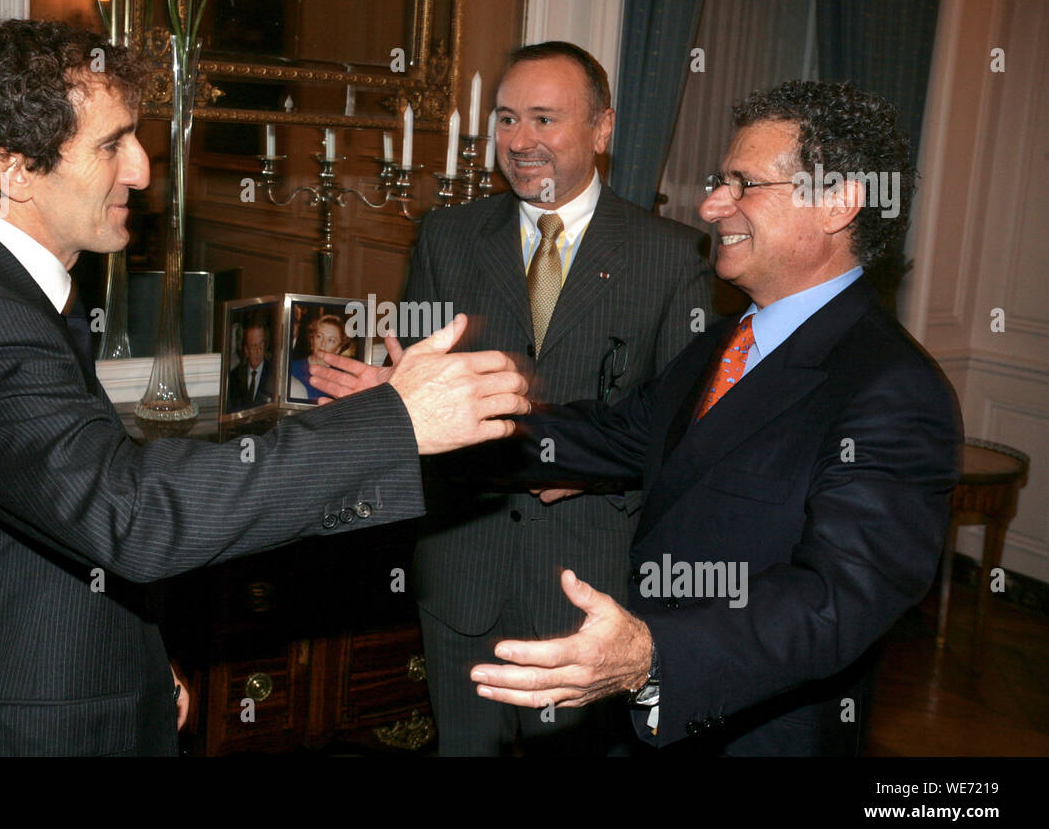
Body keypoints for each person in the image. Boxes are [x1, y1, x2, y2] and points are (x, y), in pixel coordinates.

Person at [0, 16, 530, 756]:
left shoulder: (1, 288)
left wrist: (138, 661)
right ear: (14, 170)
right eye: (112, 144)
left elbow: (61, 523)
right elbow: (131, 514)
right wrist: (394, 420)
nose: (142, 170)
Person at [468, 80, 962, 755]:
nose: (709, 206)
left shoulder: (893, 391)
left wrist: (654, 656)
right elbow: (610, 437)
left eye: (743, 184)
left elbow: (837, 598)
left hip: (751, 730)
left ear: (838, 204)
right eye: (717, 181)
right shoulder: (726, 339)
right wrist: (439, 415)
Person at [310, 42, 713, 754]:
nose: (519, 141)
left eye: (544, 119)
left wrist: (586, 467)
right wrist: (387, 400)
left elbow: (684, 436)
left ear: (602, 128)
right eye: (505, 119)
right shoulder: (446, 236)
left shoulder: (672, 256)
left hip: (593, 582)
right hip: (464, 569)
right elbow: (419, 380)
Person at [288, 314, 348, 403]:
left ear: (338, 348)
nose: (323, 344)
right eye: (319, 336)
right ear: (312, 340)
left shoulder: (342, 378)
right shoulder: (291, 368)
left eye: (331, 340)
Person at [226, 321, 275, 412]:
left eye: (261, 344)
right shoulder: (234, 377)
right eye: (253, 346)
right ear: (246, 350)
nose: (258, 351)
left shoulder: (274, 374)